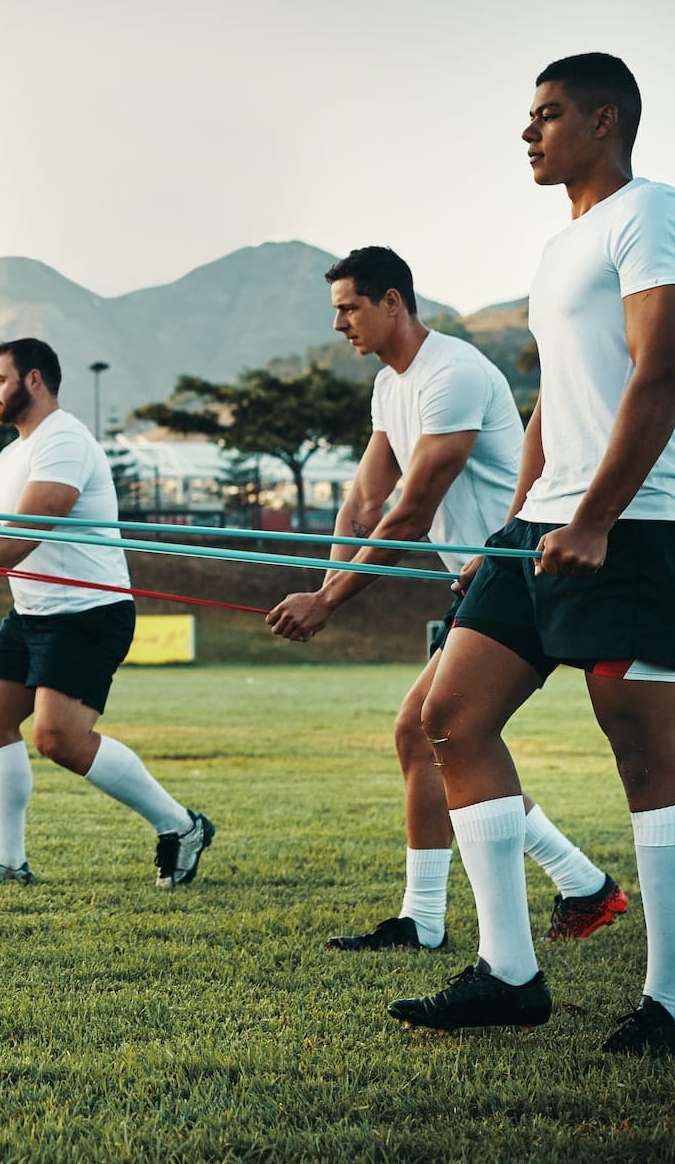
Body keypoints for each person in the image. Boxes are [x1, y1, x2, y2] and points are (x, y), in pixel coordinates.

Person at [387, 53, 675, 1055]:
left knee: (640, 744)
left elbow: (657, 375)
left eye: (544, 115)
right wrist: (527, 514)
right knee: (449, 715)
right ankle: (507, 971)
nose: (527, 134)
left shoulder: (650, 214)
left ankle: (672, 1001)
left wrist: (595, 516)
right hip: (541, 525)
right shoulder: (558, 246)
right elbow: (550, 400)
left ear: (602, 119)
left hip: (640, 524)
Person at [265, 249, 624, 951]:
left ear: (393, 302)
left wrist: (330, 601)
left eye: (349, 307)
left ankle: (457, 915)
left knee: (434, 730)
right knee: (434, 735)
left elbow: (411, 506)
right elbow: (366, 500)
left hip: (518, 575)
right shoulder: (391, 386)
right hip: (478, 579)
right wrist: (326, 586)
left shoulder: (451, 374)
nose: (338, 322)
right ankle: (568, 887)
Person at [0, 338, 216, 889]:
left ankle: (181, 826)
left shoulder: (65, 441)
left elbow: (26, 533)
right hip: (33, 613)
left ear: (33, 380)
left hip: (88, 612)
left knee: (59, 739)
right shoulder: (12, 456)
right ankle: (8, 863)